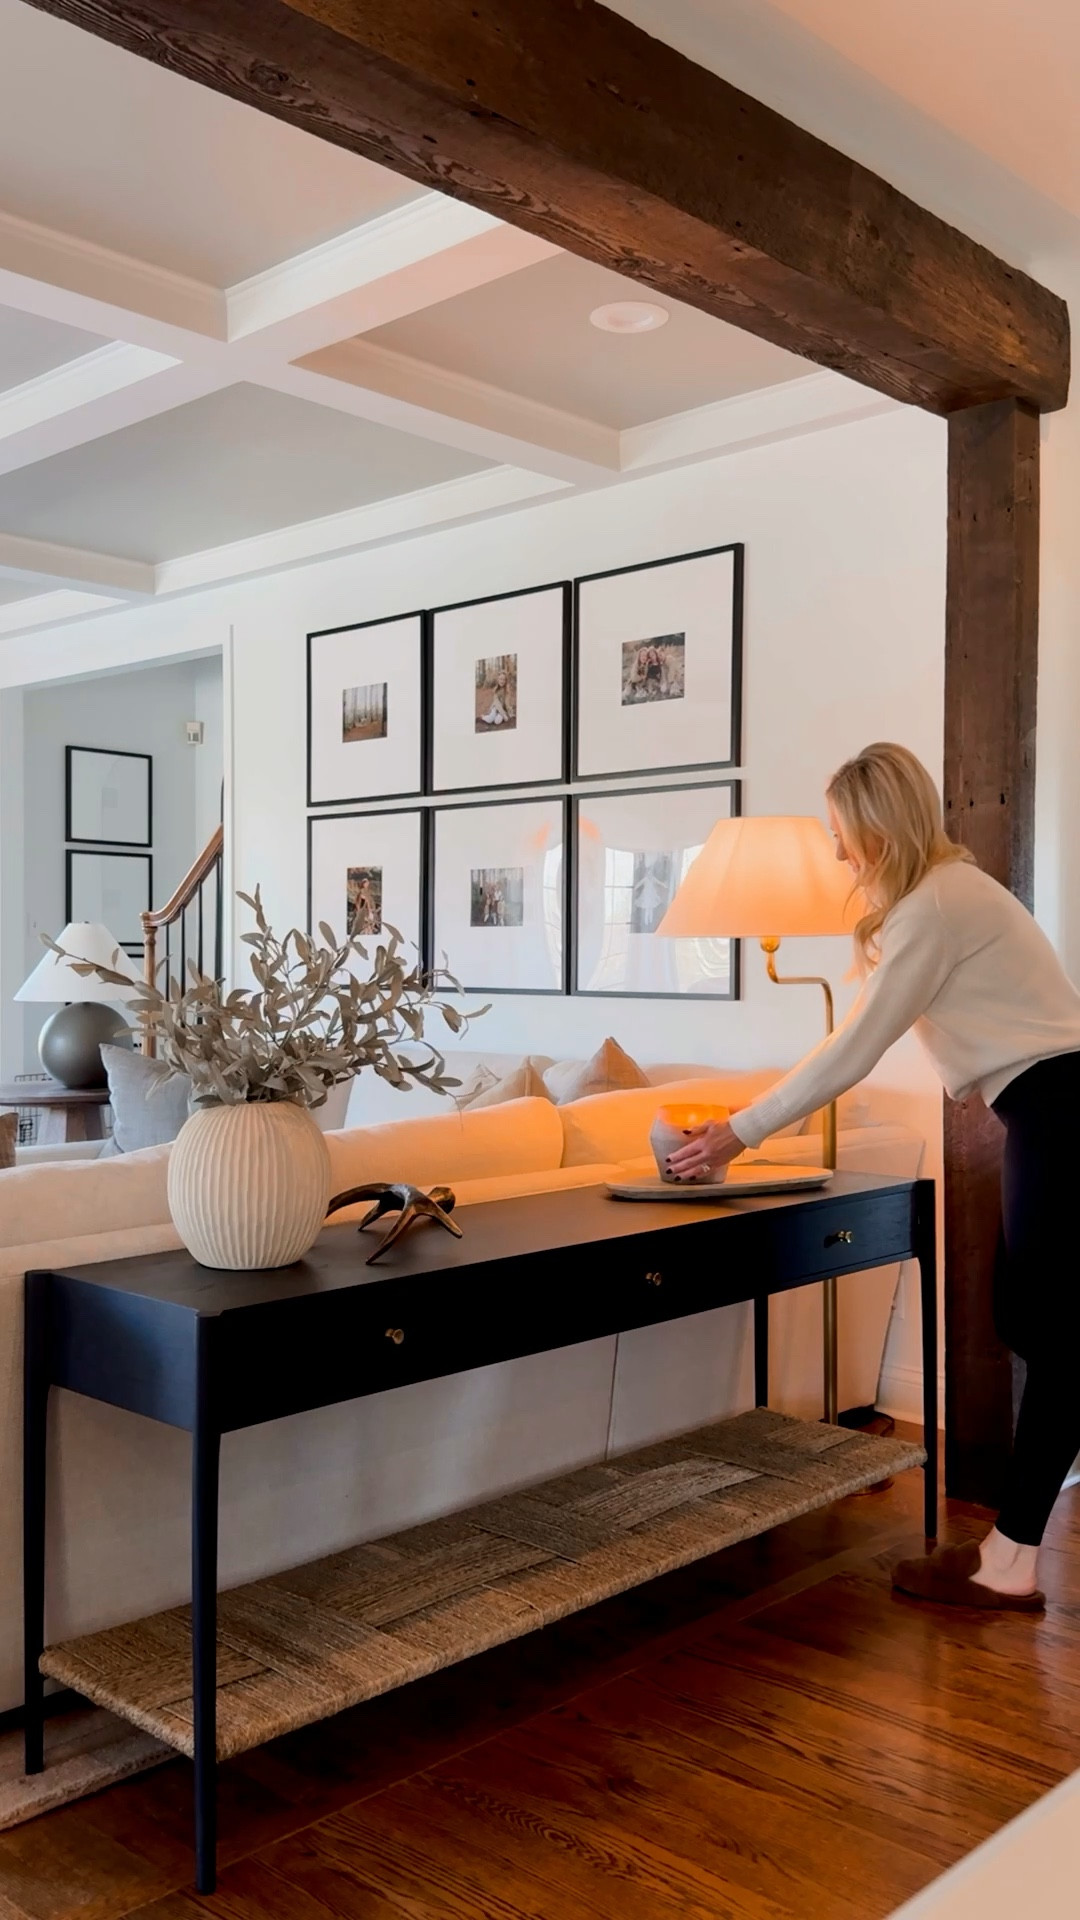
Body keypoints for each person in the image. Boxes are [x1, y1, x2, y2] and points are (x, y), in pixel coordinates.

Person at [666, 742, 1080, 1612]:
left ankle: (1009, 1562)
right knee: (1037, 1319)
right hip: (1049, 1111)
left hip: (1064, 1112)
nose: (839, 853)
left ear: (877, 828)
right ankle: (1011, 1554)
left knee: (1053, 1329)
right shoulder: (947, 895)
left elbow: (854, 1046)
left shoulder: (935, 907)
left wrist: (736, 1135)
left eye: (842, 834)